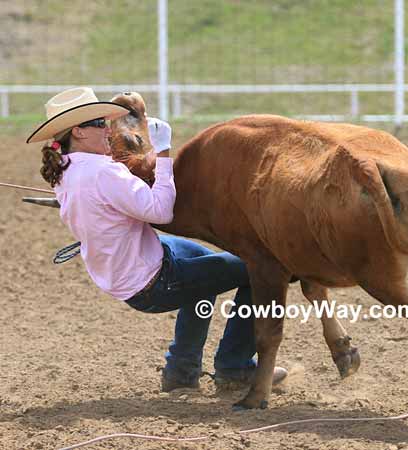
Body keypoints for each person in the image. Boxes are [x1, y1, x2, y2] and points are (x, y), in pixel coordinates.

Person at [26, 87, 287, 392]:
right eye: (100, 124)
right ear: (79, 132)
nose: (108, 130)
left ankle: (181, 369)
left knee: (205, 271)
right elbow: (160, 211)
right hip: (152, 280)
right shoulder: (103, 172)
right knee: (258, 270)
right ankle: (234, 366)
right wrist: (162, 153)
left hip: (126, 268)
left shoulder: (66, 169)